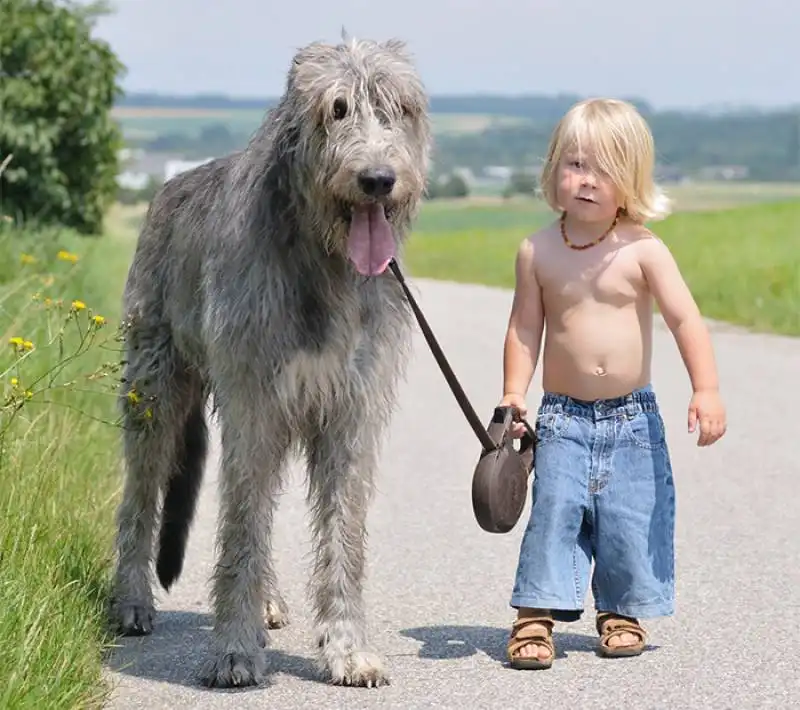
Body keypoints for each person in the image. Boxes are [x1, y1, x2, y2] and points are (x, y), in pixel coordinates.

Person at [499, 97, 727, 670]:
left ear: (630, 181)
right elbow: (525, 329)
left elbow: (685, 319)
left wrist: (707, 388)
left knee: (630, 515)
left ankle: (621, 610)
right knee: (554, 512)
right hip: (562, 417)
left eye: (604, 169)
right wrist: (512, 393)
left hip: (632, 418)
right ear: (554, 170)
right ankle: (534, 616)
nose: (587, 180)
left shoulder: (644, 249)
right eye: (575, 164)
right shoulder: (539, 250)